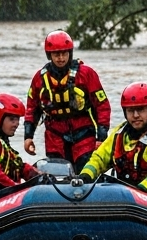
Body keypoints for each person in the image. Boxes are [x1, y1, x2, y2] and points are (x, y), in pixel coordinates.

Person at [78, 83, 147, 197]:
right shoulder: (119, 134)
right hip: (129, 196)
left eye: (140, 110)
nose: (135, 115)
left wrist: (140, 191)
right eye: (130, 110)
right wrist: (86, 175)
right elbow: (99, 158)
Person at [23, 30, 110, 171]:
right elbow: (32, 108)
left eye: (64, 53)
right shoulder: (40, 78)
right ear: (49, 55)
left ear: (70, 53)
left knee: (85, 170)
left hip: (83, 132)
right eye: (56, 54)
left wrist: (101, 137)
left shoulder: (86, 74)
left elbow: (102, 106)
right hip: (54, 135)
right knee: (58, 173)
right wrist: (28, 136)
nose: (61, 58)